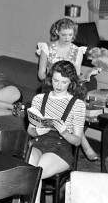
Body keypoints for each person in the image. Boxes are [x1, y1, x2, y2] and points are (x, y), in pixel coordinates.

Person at [27, 60, 86, 203]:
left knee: (35, 170)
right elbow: (30, 130)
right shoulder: (39, 99)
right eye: (55, 80)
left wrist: (64, 131)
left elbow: (77, 141)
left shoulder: (77, 104)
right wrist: (40, 131)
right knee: (29, 165)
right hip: (39, 141)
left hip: (62, 146)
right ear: (50, 79)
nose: (59, 85)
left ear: (71, 82)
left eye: (64, 82)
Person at [36, 18, 98, 161]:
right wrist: (54, 78)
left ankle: (81, 146)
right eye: (64, 35)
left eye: (70, 35)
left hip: (69, 88)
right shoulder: (47, 48)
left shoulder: (77, 51)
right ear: (57, 32)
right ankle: (86, 146)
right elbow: (41, 75)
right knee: (70, 111)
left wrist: (88, 75)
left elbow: (75, 76)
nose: (67, 38)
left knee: (73, 110)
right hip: (50, 87)